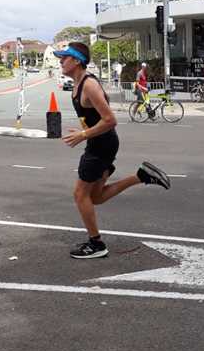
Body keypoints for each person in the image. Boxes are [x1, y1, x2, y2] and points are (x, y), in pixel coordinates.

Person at [56, 42, 171, 259]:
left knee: (80, 195)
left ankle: (96, 244)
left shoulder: (88, 85)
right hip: (100, 142)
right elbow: (97, 119)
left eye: (64, 57)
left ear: (77, 61)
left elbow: (110, 120)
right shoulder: (79, 83)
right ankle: (141, 176)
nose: (60, 61)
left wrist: (83, 135)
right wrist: (86, 131)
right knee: (95, 197)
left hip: (101, 144)